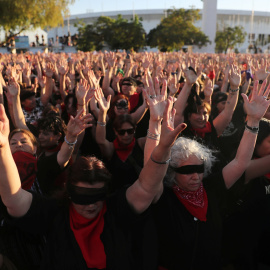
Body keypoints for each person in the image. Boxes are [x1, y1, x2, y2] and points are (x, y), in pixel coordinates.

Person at [0, 97, 186, 269]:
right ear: (69, 190)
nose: (90, 204)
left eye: (96, 196)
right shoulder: (55, 213)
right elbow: (13, 197)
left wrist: (163, 149)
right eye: (82, 197)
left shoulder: (116, 209)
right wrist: (2, 148)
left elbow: (147, 187)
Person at [143, 79, 270, 269]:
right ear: (172, 171)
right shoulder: (164, 196)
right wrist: (154, 123)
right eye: (186, 170)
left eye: (199, 169)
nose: (195, 176)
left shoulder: (210, 187)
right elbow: (150, 169)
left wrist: (253, 122)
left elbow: (240, 162)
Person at [95, 88, 145, 190]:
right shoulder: (111, 148)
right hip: (116, 194)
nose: (126, 135)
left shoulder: (141, 143)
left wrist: (157, 118)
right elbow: (100, 141)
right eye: (122, 132)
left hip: (139, 193)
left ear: (134, 130)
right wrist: (102, 113)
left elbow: (159, 138)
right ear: (115, 132)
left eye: (130, 131)